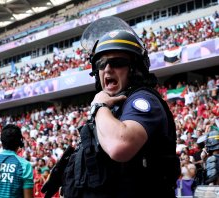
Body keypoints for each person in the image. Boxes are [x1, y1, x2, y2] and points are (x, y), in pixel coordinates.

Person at [43, 16, 179, 198]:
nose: (107, 69)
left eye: (117, 63)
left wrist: (99, 105)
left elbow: (119, 145)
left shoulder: (142, 99)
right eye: (101, 63)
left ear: (134, 68)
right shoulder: (113, 107)